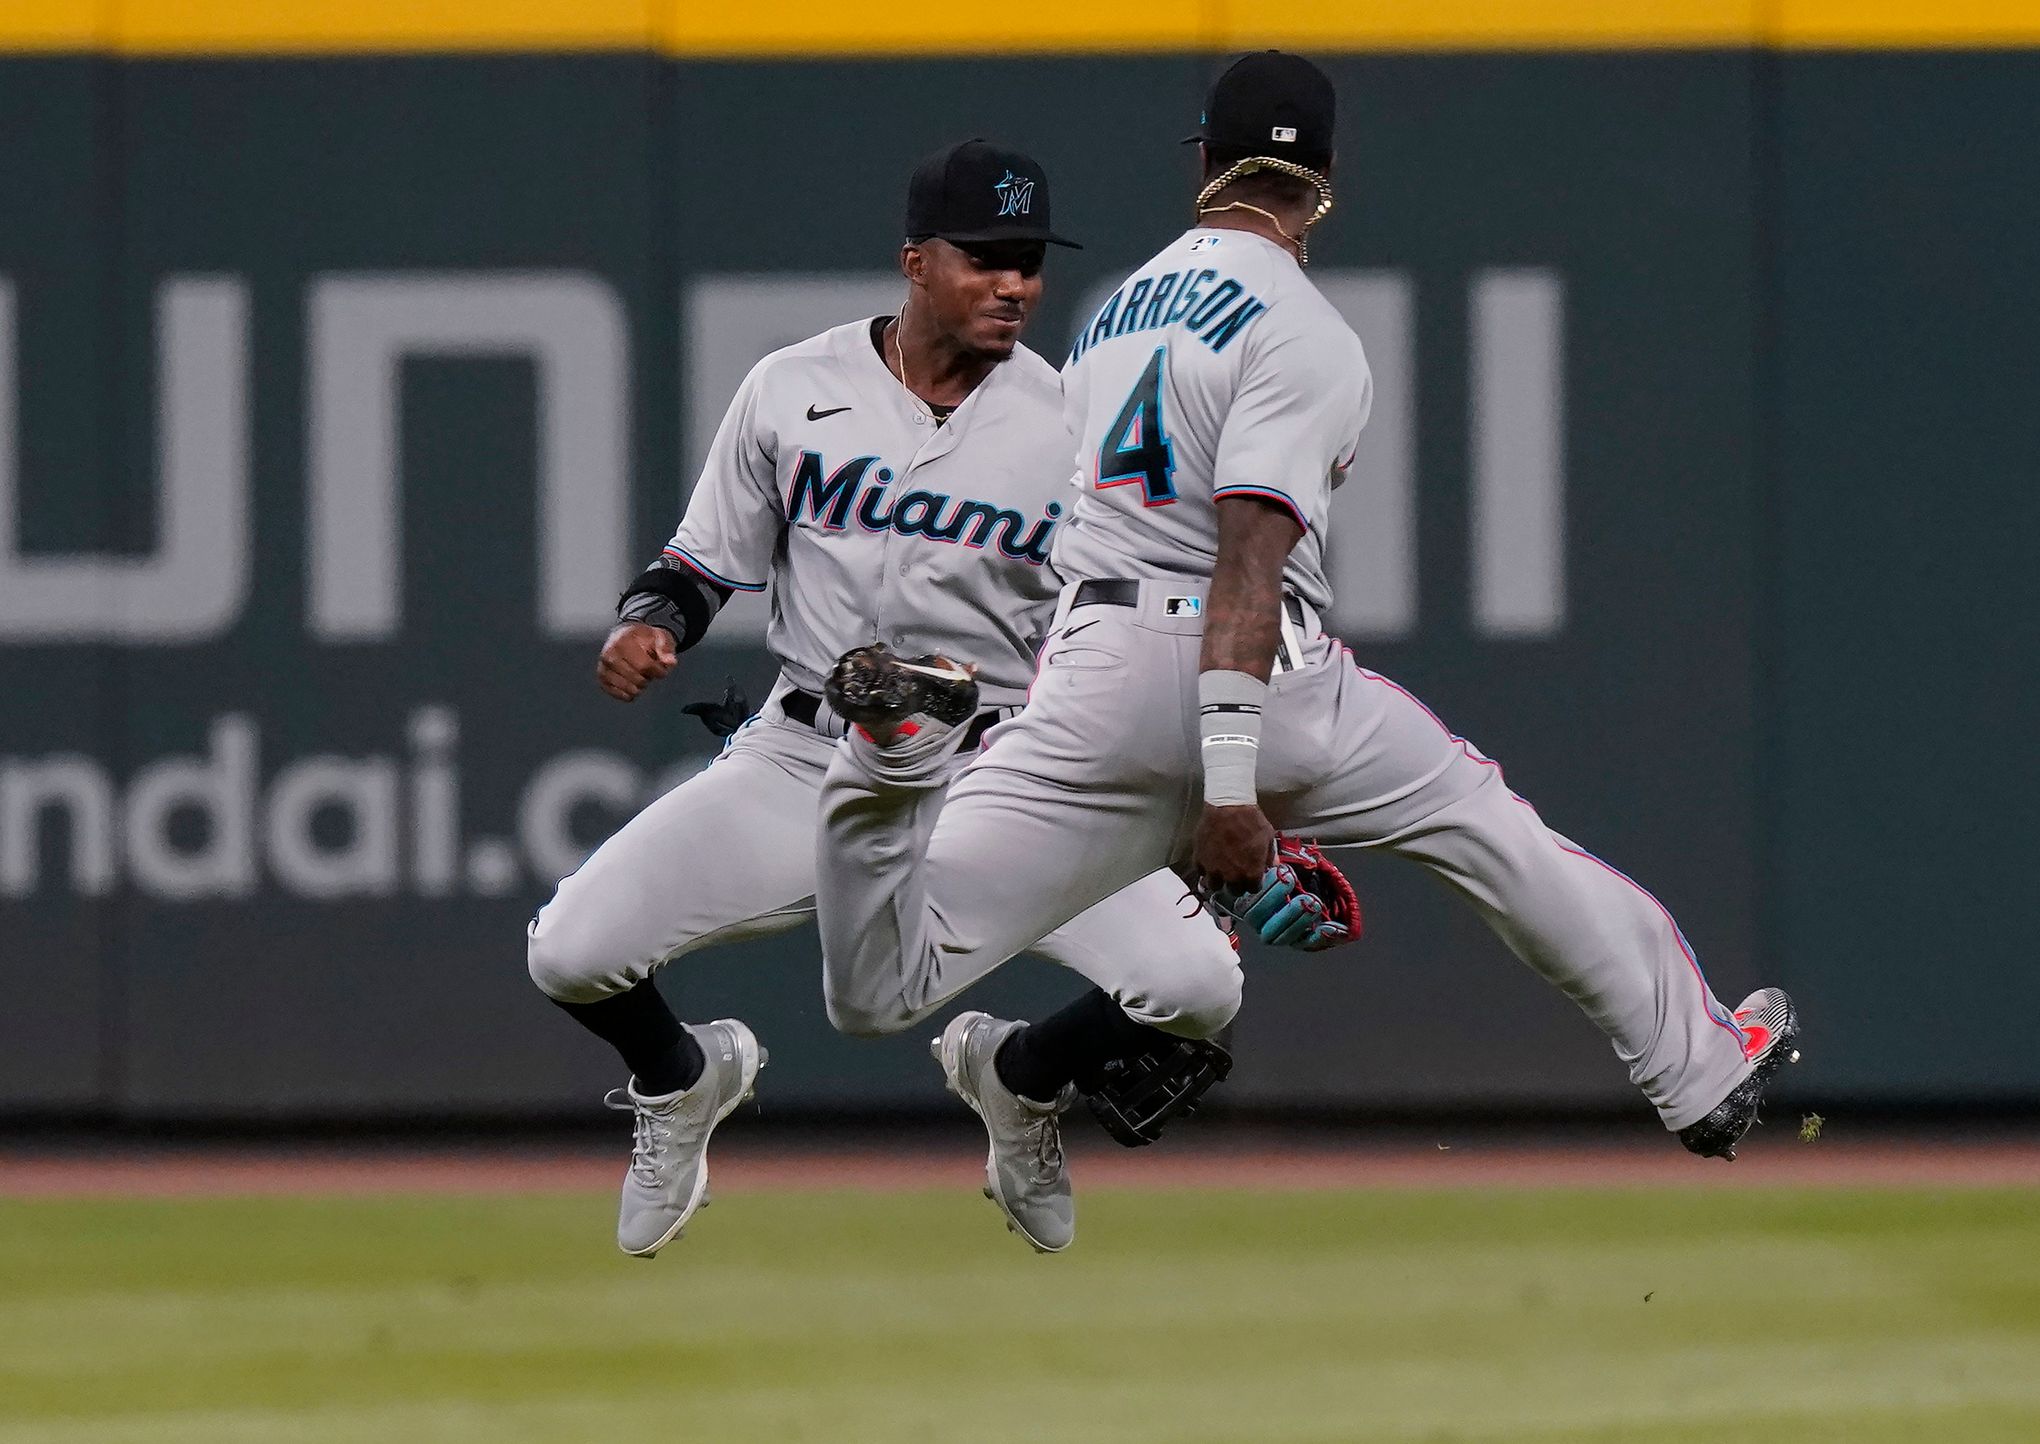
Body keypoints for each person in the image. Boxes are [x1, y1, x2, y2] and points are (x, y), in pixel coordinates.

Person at [814, 52, 1803, 1247]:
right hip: (1249, 676)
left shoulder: (1113, 312)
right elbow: (1243, 560)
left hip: (1087, 668)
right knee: (1486, 827)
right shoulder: (1306, 329)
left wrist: (1196, 805)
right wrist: (1233, 790)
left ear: (1202, 162)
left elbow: (1063, 540)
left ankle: (895, 777)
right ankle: (1698, 1073)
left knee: (882, 985)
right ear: (1322, 178)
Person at [526, 139, 1243, 1260]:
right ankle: (682, 1076)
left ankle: (1020, 1079)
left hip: (1004, 776)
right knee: (571, 950)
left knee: (1199, 984)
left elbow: (1137, 627)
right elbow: (700, 564)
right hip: (807, 757)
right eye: (987, 258)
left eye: (1030, 262)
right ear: (916, 261)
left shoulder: (1072, 428)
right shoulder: (793, 387)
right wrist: (649, 621)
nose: (1016, 284)